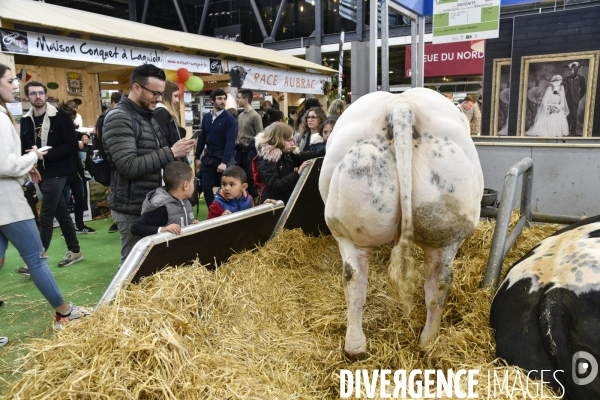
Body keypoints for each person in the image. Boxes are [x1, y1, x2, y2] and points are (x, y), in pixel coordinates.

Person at [0, 63, 90, 329]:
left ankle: (74, 249)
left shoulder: (54, 116)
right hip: (8, 202)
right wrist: (33, 158)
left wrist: (28, 169)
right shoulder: (5, 118)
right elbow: (7, 164)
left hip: (47, 177)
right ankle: (65, 312)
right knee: (37, 258)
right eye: (9, 81)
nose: (15, 86)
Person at [103, 63, 196, 265]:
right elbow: (128, 165)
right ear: (137, 88)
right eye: (155, 93)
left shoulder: (147, 117)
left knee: (153, 263)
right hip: (131, 207)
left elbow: (155, 157)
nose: (159, 99)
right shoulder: (119, 117)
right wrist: (171, 151)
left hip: (150, 203)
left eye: (161, 93)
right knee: (133, 266)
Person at [19, 80, 84, 270]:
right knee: (61, 212)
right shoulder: (25, 121)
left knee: (46, 214)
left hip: (58, 172)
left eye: (40, 93)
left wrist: (45, 154)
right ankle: (75, 250)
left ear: (46, 95)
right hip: (38, 172)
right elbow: (24, 147)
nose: (37, 96)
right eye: (33, 93)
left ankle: (37, 259)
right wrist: (30, 164)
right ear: (27, 97)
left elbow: (72, 146)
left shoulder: (61, 117)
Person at [255, 122, 325, 204]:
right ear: (278, 140)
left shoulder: (288, 154)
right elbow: (275, 186)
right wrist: (297, 173)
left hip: (286, 201)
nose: (293, 143)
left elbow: (310, 155)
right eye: (289, 140)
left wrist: (328, 148)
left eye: (293, 140)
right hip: (273, 204)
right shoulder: (266, 159)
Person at [131, 161, 198, 237]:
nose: (194, 185)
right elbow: (135, 227)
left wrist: (189, 224)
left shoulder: (185, 201)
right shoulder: (162, 207)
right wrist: (162, 229)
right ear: (185, 185)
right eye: (192, 181)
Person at [195, 88, 237, 207]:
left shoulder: (229, 119)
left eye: (224, 99)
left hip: (223, 159)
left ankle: (227, 215)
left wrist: (224, 162)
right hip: (209, 158)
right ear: (212, 100)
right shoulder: (207, 117)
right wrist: (197, 157)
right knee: (206, 188)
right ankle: (213, 213)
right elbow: (202, 138)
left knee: (227, 190)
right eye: (219, 99)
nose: (222, 101)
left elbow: (230, 143)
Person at [58, 103, 96, 234]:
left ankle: (80, 225)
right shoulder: (56, 131)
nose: (73, 122)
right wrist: (75, 145)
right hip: (62, 171)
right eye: (72, 119)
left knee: (80, 198)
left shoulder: (71, 130)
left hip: (75, 171)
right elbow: (63, 147)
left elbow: (77, 134)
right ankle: (66, 230)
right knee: (65, 202)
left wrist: (84, 135)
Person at [93, 92, 121, 234]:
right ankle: (116, 221)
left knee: (114, 188)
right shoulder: (110, 117)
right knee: (115, 189)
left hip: (107, 159)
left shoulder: (103, 117)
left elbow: (97, 135)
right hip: (113, 160)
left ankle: (116, 220)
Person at [235, 89, 263, 198]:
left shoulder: (255, 116)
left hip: (250, 151)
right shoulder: (240, 115)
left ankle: (253, 202)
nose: (237, 99)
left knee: (250, 179)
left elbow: (260, 136)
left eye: (239, 97)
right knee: (240, 177)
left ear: (246, 100)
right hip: (240, 151)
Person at [153, 80, 189, 163]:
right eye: (175, 96)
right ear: (167, 96)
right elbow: (162, 141)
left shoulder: (165, 113)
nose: (177, 100)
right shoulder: (161, 112)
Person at [563, 61, 587, 136]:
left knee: (573, 115)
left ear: (576, 70)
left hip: (574, 100)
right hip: (566, 100)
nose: (571, 72)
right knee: (567, 114)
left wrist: (578, 98)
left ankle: (573, 131)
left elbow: (583, 89)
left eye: (573, 70)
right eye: (570, 70)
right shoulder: (566, 79)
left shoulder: (581, 78)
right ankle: (566, 130)